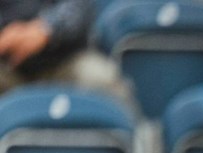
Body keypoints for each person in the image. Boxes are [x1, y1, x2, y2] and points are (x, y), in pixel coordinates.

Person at [0, 0, 130, 100]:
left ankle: (130, 133)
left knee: (101, 79)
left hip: (65, 59)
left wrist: (46, 29)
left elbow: (79, 9)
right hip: (8, 66)